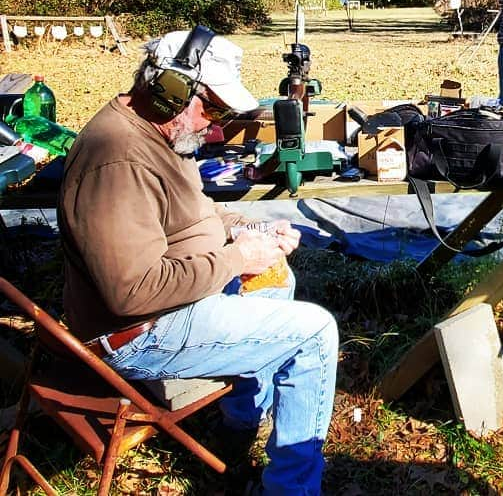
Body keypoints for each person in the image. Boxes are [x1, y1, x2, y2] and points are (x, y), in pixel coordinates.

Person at [58, 27, 338, 496]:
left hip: (170, 308)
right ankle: (292, 490)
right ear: (169, 91)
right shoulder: (118, 158)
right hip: (139, 333)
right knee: (314, 334)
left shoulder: (162, 137)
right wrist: (233, 259)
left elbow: (197, 207)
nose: (215, 127)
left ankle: (236, 428)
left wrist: (245, 231)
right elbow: (132, 292)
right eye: (211, 108)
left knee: (273, 278)